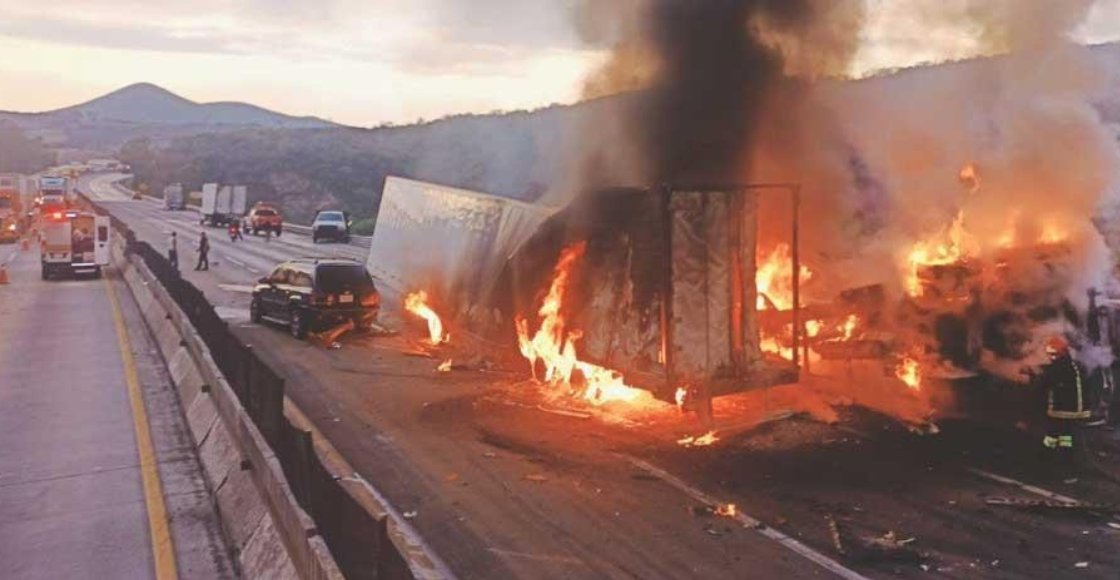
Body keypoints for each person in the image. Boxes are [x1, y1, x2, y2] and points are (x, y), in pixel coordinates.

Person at [1039, 336, 1090, 461]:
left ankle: (1045, 457)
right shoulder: (1077, 366)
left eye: (1053, 354)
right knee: (1066, 436)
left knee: (1051, 436)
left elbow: (1044, 385)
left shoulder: (1057, 368)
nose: (1051, 357)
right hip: (1077, 411)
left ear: (1061, 353)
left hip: (1062, 411)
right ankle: (1067, 458)